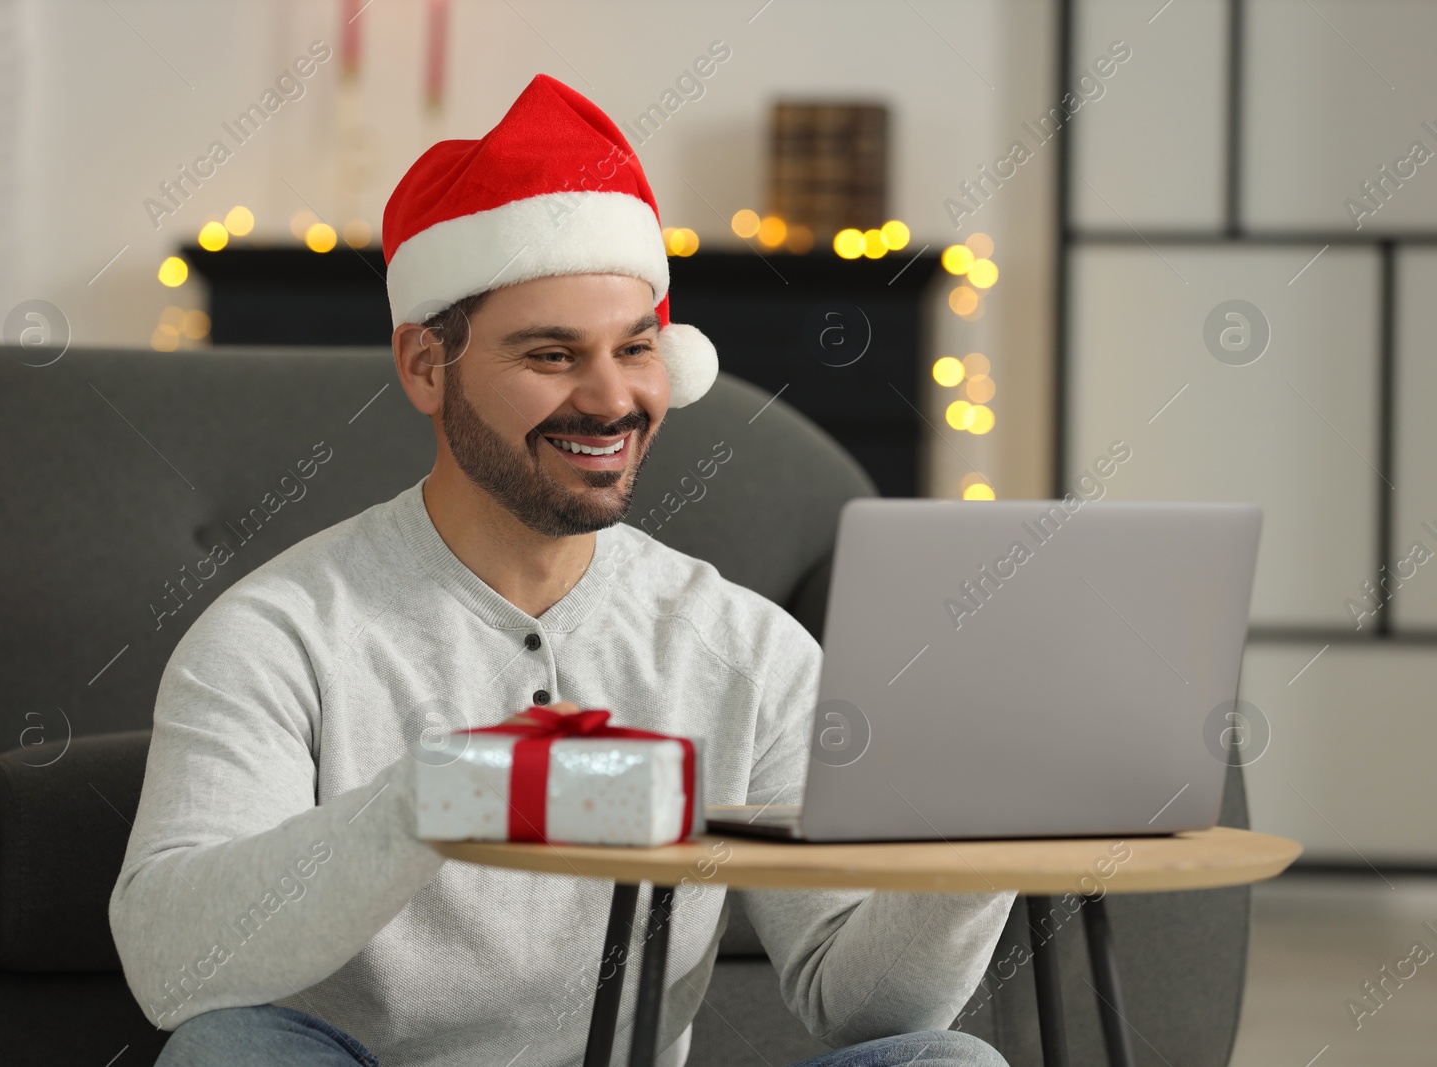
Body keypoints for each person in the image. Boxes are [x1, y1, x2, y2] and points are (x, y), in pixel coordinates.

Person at [110, 72, 1014, 1067]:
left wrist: (980, 849)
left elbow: (858, 1010)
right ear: (423, 364)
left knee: (946, 1061)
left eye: (635, 348)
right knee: (229, 1050)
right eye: (550, 355)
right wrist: (435, 796)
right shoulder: (282, 631)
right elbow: (172, 965)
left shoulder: (740, 644)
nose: (610, 397)